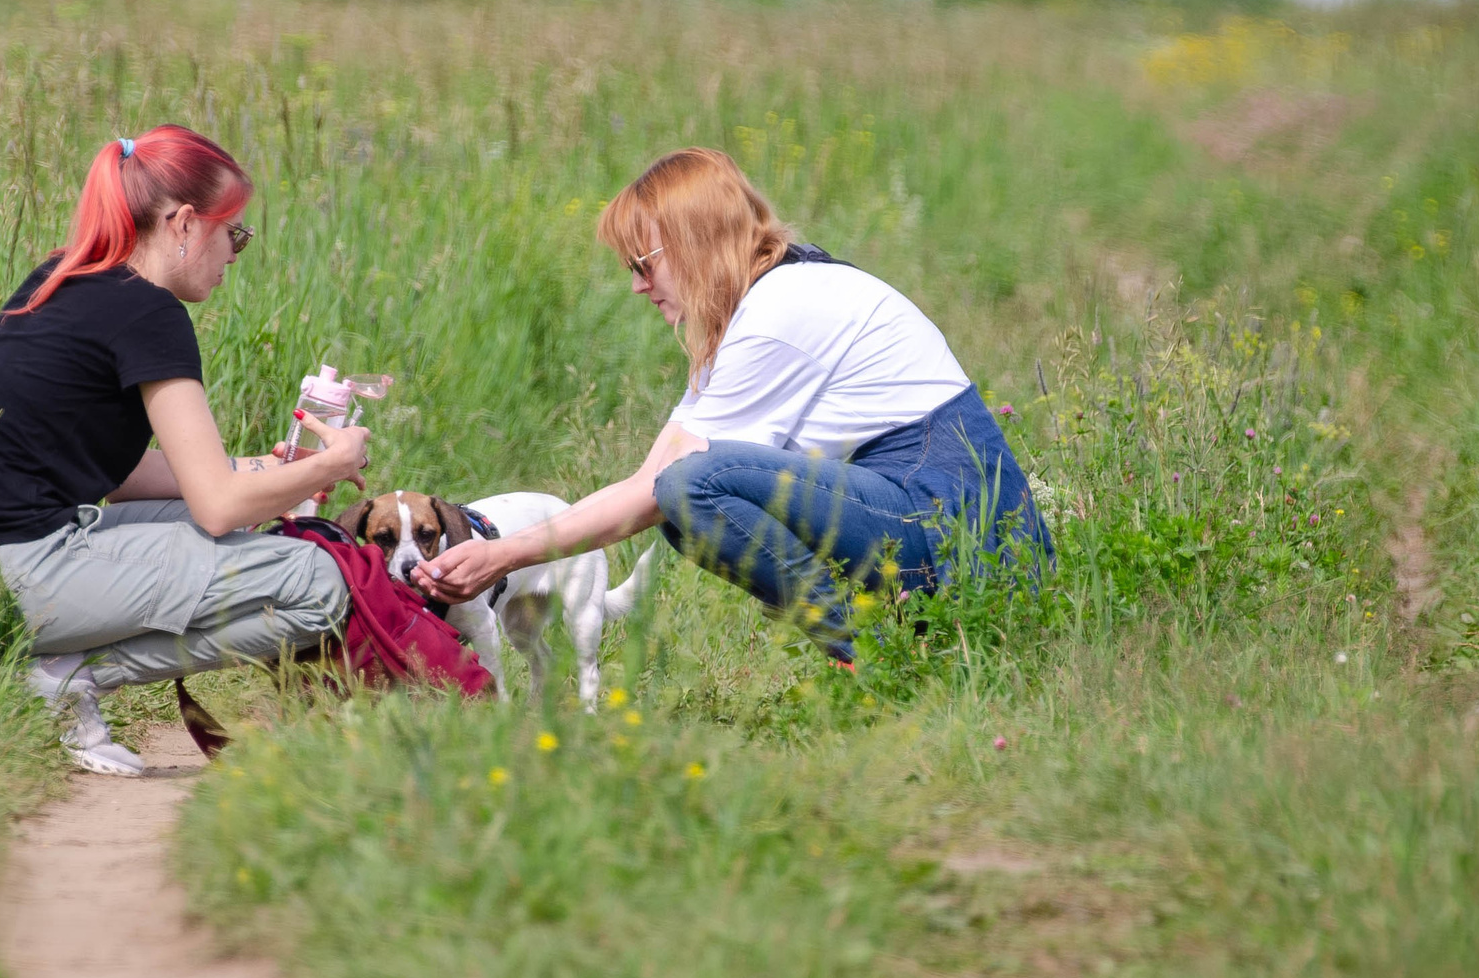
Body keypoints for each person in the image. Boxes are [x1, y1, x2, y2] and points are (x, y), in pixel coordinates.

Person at [416, 148, 1049, 666]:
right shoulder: (757, 310)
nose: (637, 286)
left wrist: (503, 555)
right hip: (941, 521)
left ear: (694, 242)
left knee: (690, 490)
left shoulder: (779, 312)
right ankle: (895, 645)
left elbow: (664, 489)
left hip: (968, 532)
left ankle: (870, 657)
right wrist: (501, 546)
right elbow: (646, 481)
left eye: (642, 264)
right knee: (678, 494)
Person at [0, 125, 370, 776]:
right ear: (186, 223)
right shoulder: (150, 313)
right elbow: (218, 507)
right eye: (234, 232)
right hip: (11, 575)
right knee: (317, 583)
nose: (236, 253)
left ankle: (52, 669)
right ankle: (64, 677)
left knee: (256, 521)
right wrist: (334, 462)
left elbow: (118, 471)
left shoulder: (66, 279)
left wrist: (273, 471)